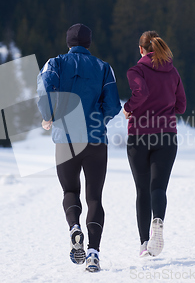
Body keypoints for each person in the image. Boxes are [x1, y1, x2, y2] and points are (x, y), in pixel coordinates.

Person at [37, 23, 121, 272]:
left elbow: (44, 88)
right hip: (95, 140)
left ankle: (74, 228)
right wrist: (98, 119)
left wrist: (48, 115)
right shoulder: (104, 67)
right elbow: (114, 105)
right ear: (89, 43)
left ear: (68, 43)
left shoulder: (55, 63)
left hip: (65, 139)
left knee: (69, 191)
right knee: (95, 197)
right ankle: (93, 254)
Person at [123, 31, 186, 257]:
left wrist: (129, 107)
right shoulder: (173, 71)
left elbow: (141, 92)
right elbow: (181, 107)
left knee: (142, 190)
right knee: (158, 187)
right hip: (167, 136)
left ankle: (143, 245)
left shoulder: (136, 70)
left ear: (141, 49)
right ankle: (157, 220)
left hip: (139, 136)